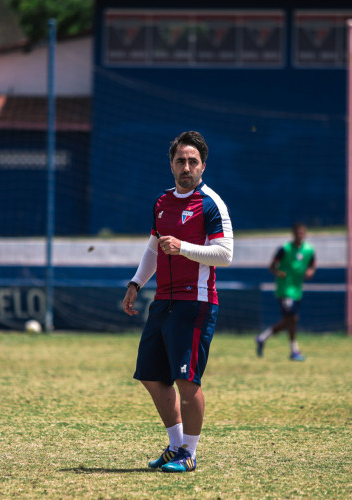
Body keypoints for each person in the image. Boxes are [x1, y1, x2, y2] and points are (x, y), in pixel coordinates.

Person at [122, 131, 234, 472]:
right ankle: (175, 445)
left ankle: (190, 454)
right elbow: (154, 246)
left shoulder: (211, 203)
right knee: (151, 376)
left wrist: (183, 247)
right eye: (180, 161)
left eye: (193, 161)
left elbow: (225, 254)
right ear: (171, 164)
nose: (186, 167)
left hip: (195, 303)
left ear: (203, 165)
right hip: (164, 301)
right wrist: (136, 283)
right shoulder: (162, 202)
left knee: (187, 382)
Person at [255, 222, 316, 361]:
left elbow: (312, 264)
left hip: (297, 290)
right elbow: (272, 266)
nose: (300, 235)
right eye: (298, 233)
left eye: (302, 233)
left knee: (288, 321)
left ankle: (262, 337)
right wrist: (278, 272)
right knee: (293, 319)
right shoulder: (285, 249)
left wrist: (310, 271)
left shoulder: (309, 250)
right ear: (293, 234)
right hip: (285, 289)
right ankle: (294, 351)